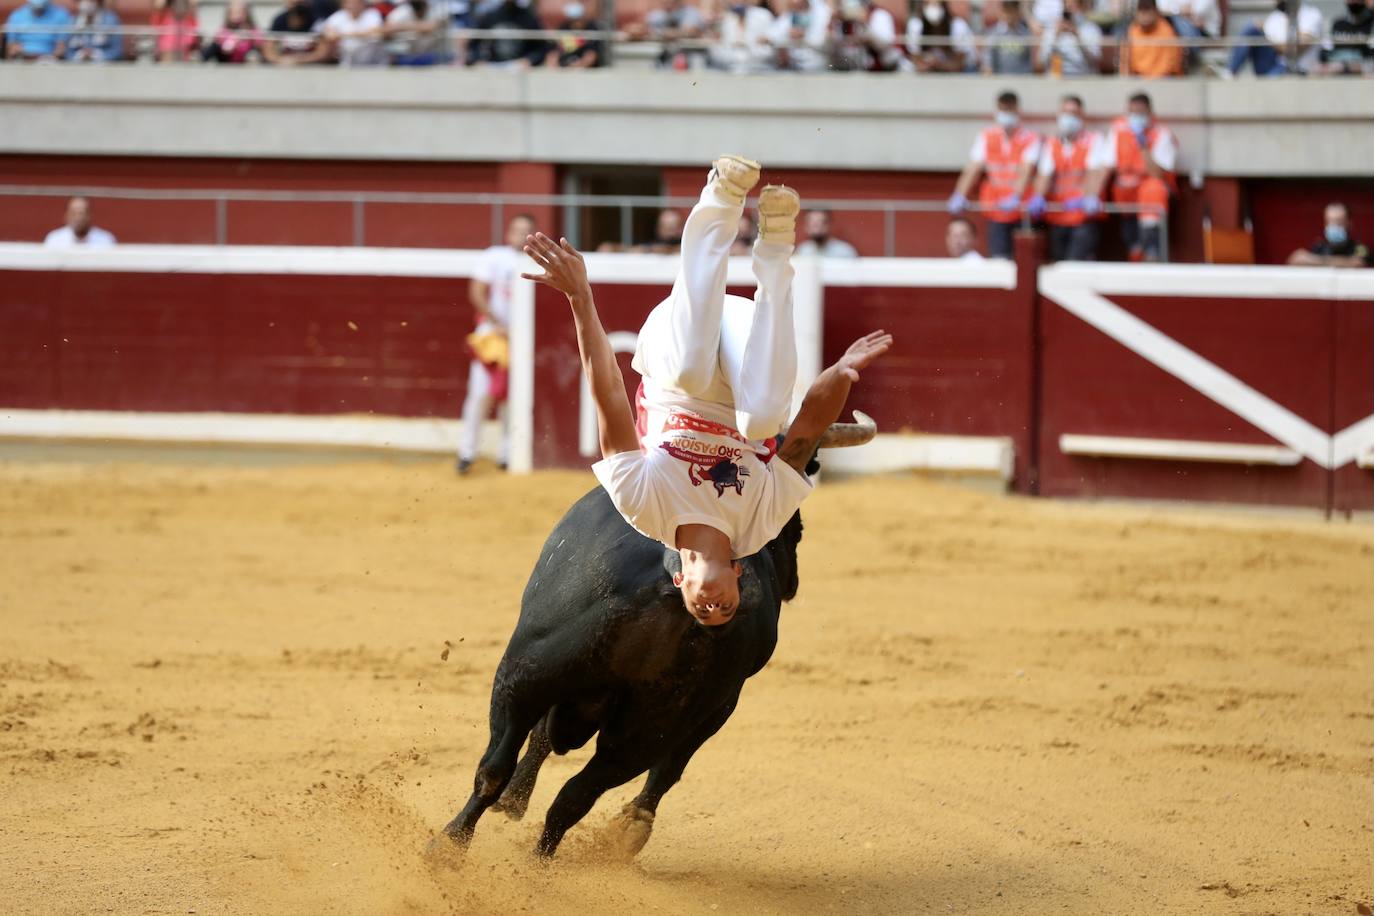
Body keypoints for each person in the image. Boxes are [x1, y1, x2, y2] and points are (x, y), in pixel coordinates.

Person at [520, 155, 891, 626]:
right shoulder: (759, 525)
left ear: (679, 581)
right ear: (741, 575)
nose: (713, 606)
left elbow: (609, 393)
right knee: (762, 419)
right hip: (743, 356)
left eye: (702, 610)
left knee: (693, 374)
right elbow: (804, 435)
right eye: (726, 609)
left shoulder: (643, 509)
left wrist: (580, 297)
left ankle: (719, 198)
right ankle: (776, 248)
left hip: (671, 358)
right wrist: (841, 372)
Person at [457, 213, 534, 474]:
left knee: (511, 401)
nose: (521, 235)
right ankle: (467, 452)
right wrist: (497, 322)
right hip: (491, 336)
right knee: (479, 394)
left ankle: (506, 454)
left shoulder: (537, 261)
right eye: (517, 230)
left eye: (527, 230)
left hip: (522, 341)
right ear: (508, 233)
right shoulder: (493, 256)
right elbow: (477, 292)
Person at [947, 90, 1041, 260]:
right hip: (997, 209)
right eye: (1003, 110)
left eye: (1009, 110)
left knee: (1024, 261)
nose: (1006, 115)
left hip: (1022, 210)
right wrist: (959, 194)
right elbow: (973, 168)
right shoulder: (987, 136)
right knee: (999, 259)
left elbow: (1026, 170)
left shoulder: (1030, 138)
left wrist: (1016, 196)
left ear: (1017, 111)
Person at [1090, 92, 1176, 262]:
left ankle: (1151, 250)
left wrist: (1143, 145)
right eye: (1132, 112)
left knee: (1152, 188)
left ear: (1150, 113)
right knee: (1123, 188)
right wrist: (1091, 195)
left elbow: (1157, 174)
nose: (1135, 117)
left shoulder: (1162, 134)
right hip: (1126, 195)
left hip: (1151, 197)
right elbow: (1106, 166)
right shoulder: (1119, 129)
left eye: (1140, 112)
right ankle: (1134, 249)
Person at [1029, 94, 1106, 263]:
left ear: (1082, 117)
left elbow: (1095, 173)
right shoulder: (1052, 143)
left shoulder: (1094, 140)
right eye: (1065, 113)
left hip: (1083, 216)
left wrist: (1089, 197)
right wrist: (1038, 196)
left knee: (1076, 264)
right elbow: (1044, 174)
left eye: (1074, 114)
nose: (1069, 118)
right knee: (1059, 263)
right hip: (1058, 215)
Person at [1228, 0, 1324, 75]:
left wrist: (1268, 41)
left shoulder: (1311, 14)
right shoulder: (1275, 17)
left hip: (1297, 70)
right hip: (1274, 66)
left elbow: (1293, 50)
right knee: (1251, 29)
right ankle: (1230, 73)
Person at [1287, 203, 1371, 268]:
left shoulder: (1359, 247)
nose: (1334, 226)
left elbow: (1357, 263)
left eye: (1339, 222)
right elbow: (1297, 259)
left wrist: (1317, 261)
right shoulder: (1320, 246)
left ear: (1349, 223)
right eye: (1330, 222)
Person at [469, 0, 547, 66]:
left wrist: (530, 60)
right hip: (494, 65)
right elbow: (474, 44)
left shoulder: (529, 18)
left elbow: (541, 48)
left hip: (520, 67)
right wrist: (478, 60)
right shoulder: (491, 16)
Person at [905, 0, 976, 72]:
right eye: (928, 3)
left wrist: (939, 65)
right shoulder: (915, 25)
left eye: (936, 4)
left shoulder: (958, 26)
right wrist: (925, 65)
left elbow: (960, 64)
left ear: (944, 5)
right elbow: (916, 60)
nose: (932, 8)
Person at [1035, 0, 1102, 74]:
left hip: (1083, 78)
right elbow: (1040, 62)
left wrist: (1077, 36)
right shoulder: (1052, 29)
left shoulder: (1091, 28)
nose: (1069, 11)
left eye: (1073, 7)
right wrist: (1055, 36)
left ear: (1081, 7)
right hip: (1056, 79)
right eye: (1066, 7)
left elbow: (1095, 60)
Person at [1121, 0, 1182, 78]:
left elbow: (1171, 64)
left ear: (1156, 12)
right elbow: (1125, 62)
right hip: (1138, 79)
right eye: (1141, 10)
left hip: (1163, 80)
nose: (1144, 15)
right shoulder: (1131, 31)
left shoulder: (1166, 31)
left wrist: (1153, 80)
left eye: (1148, 10)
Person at [769, 0, 831, 72]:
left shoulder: (823, 12)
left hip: (817, 64)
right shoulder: (792, 13)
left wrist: (805, 35)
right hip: (793, 65)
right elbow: (774, 33)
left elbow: (821, 39)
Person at [263, 0, 332, 64]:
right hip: (285, 66)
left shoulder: (317, 21)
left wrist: (299, 60)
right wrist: (280, 60)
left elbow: (323, 53)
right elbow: (268, 51)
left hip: (312, 67)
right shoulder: (280, 20)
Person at [384, 0, 448, 66]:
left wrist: (403, 27)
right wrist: (415, 27)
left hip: (432, 56)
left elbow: (432, 27)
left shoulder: (436, 9)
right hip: (406, 56)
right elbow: (385, 29)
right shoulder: (402, 11)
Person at [5, 0, 73, 60]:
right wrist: (26, 56)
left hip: (50, 63)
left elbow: (61, 47)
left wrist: (49, 58)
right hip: (22, 60)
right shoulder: (16, 15)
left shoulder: (61, 15)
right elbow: (11, 47)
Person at [323, 0, 385, 65]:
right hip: (347, 57)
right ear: (344, 5)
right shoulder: (340, 15)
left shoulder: (372, 13)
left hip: (371, 59)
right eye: (350, 3)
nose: (353, 6)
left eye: (356, 3)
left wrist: (345, 34)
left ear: (362, 4)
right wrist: (332, 34)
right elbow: (328, 31)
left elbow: (376, 31)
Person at [545, 0, 604, 67]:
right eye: (573, 20)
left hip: (586, 70)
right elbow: (554, 52)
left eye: (578, 19)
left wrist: (579, 65)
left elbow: (591, 55)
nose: (576, 23)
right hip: (565, 67)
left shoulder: (592, 29)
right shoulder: (564, 28)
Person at [982, 0, 1035, 74]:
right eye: (1007, 11)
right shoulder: (994, 34)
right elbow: (988, 62)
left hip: (1022, 81)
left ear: (1018, 13)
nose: (1010, 15)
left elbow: (1031, 62)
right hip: (999, 81)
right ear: (1002, 12)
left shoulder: (1026, 34)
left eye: (1013, 11)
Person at [1321, 0, 1373, 74]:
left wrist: (1349, 67)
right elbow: (1325, 51)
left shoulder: (1370, 24)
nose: (1354, 3)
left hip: (1363, 73)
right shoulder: (1338, 24)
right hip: (1336, 70)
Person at [44, 197, 116, 249]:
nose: (78, 218)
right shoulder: (54, 239)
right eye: (74, 213)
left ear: (90, 215)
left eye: (82, 213)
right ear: (66, 216)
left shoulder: (106, 240)